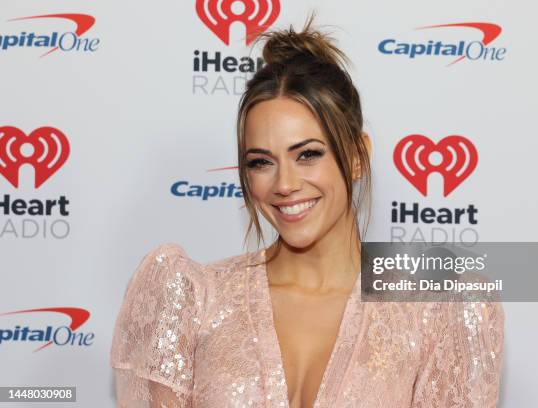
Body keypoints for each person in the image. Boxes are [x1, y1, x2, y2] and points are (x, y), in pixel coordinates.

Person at [110, 13, 504, 408]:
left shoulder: (434, 311)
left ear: (356, 157)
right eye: (261, 162)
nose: (284, 184)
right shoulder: (192, 302)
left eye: (308, 154)